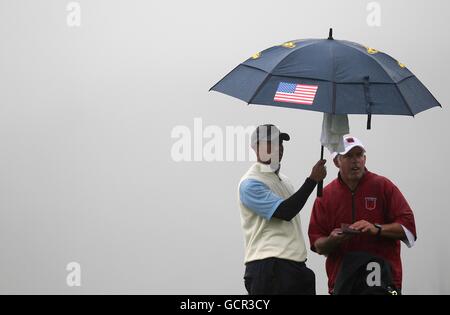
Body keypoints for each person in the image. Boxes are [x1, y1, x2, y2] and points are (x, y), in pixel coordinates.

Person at [308, 136, 417, 294]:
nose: (355, 161)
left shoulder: (383, 186)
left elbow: (409, 227)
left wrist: (377, 228)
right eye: (349, 156)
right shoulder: (325, 196)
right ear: (336, 162)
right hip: (343, 283)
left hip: (383, 282)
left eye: (359, 155)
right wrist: (332, 240)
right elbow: (317, 244)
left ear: (365, 159)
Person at [238, 124, 327, 295]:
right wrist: (312, 181)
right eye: (270, 143)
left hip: (294, 265)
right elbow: (285, 212)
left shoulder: (284, 180)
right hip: (269, 266)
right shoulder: (250, 183)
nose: (278, 148)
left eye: (280, 143)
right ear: (256, 148)